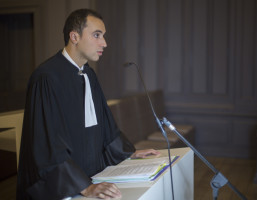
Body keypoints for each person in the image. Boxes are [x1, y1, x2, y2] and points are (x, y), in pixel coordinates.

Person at [17, 8, 160, 200]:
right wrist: (83, 187)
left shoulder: (89, 74)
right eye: (96, 35)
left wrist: (129, 153)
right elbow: (48, 145)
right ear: (74, 36)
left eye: (103, 36)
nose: (104, 43)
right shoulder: (47, 78)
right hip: (59, 186)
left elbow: (104, 124)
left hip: (91, 174)